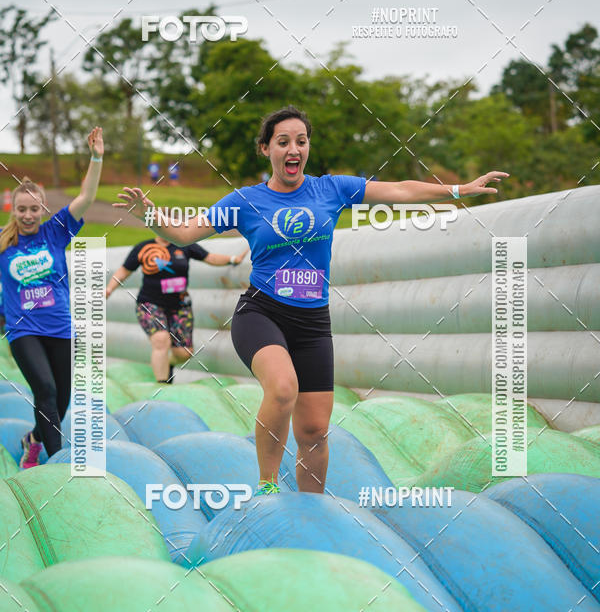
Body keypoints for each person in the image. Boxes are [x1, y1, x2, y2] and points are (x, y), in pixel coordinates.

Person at [113, 105, 508, 495]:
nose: (293, 150)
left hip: (313, 322)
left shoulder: (330, 189)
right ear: (266, 149)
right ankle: (267, 486)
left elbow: (399, 189)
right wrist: (150, 218)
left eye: (301, 141)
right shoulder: (245, 201)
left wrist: (460, 189)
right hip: (261, 312)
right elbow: (184, 234)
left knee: (315, 431)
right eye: (282, 142)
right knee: (283, 389)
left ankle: (311, 510)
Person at [0, 127, 104, 468]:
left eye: (33, 209)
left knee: (61, 401)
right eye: (21, 209)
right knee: (44, 389)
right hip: (23, 330)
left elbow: (86, 197)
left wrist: (96, 156)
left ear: (43, 209)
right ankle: (58, 462)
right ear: (12, 210)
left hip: (60, 328)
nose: (28, 215)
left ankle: (34, 438)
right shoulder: (4, 243)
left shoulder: (56, 232)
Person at [105, 236, 249, 383]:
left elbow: (209, 257)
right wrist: (109, 289)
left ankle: (167, 363)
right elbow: (124, 270)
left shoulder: (184, 245)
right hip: (150, 304)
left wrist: (232, 259)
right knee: (161, 340)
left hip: (179, 306)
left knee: (184, 352)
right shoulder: (144, 248)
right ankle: (162, 385)